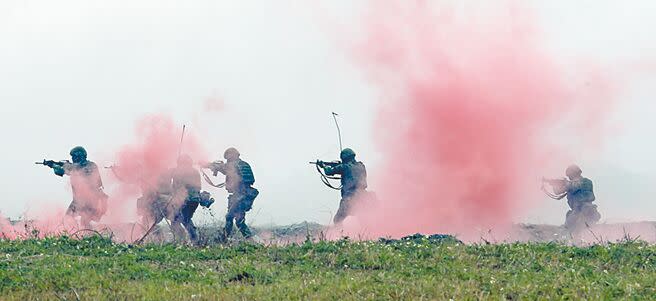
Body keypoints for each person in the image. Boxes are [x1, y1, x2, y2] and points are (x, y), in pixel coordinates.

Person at [203, 147, 258, 239]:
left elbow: (222, 167)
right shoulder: (243, 164)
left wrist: (206, 165)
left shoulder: (233, 165)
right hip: (246, 194)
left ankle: (223, 240)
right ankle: (250, 239)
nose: (227, 160)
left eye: (228, 157)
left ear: (231, 155)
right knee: (239, 221)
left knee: (229, 217)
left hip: (240, 194)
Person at [47, 146, 108, 228]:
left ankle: (87, 237)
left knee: (84, 221)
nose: (73, 159)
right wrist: (54, 165)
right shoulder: (76, 167)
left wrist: (57, 166)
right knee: (69, 219)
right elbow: (61, 171)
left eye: (74, 157)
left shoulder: (89, 166)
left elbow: (75, 169)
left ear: (80, 156)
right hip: (79, 201)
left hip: (89, 201)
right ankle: (78, 236)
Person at [317, 148, 368, 224]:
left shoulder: (345, 167)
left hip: (350, 197)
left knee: (337, 220)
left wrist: (323, 165)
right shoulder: (361, 166)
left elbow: (328, 172)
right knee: (364, 219)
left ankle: (340, 235)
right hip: (364, 196)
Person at [543, 164, 601, 231]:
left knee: (567, 229)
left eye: (569, 175)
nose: (569, 177)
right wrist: (554, 184)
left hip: (581, 210)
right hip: (581, 210)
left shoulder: (584, 182)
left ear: (573, 174)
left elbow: (575, 185)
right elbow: (558, 192)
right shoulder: (576, 183)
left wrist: (566, 183)